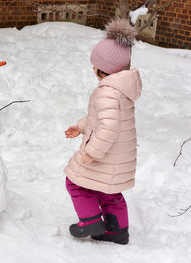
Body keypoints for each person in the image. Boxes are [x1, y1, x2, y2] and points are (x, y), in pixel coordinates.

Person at [64, 19, 142, 245]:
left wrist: (92, 152)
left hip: (105, 154)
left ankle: (89, 221)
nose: (92, 69)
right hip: (117, 154)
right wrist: (81, 126)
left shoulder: (107, 92)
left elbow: (107, 127)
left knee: (76, 182)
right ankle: (117, 231)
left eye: (95, 65)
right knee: (109, 192)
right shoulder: (121, 89)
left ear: (103, 69)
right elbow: (104, 118)